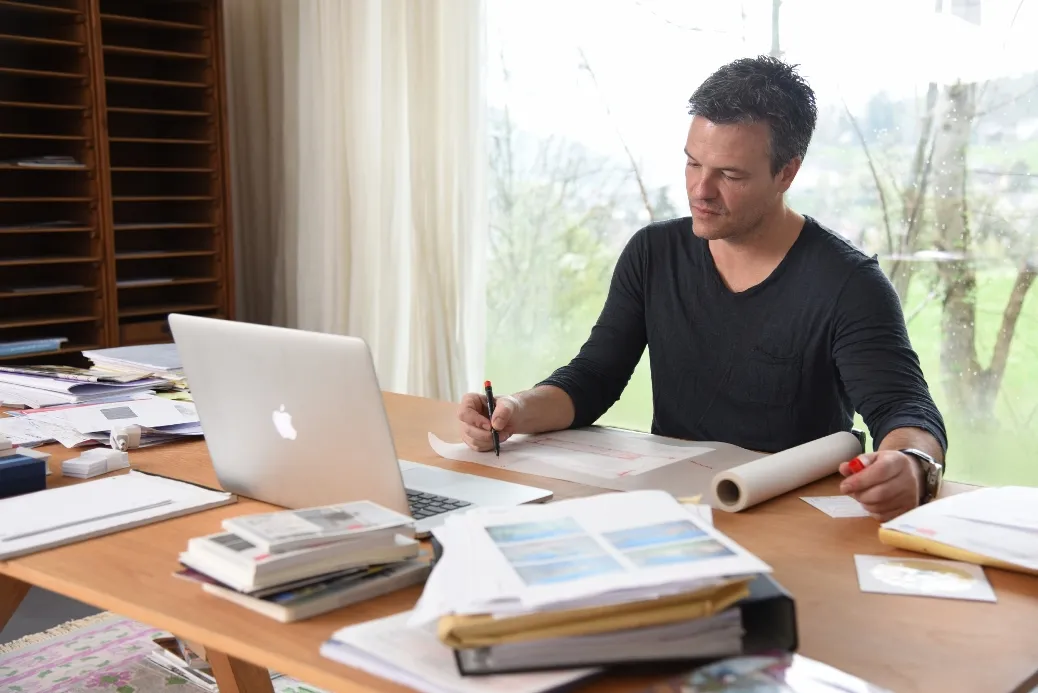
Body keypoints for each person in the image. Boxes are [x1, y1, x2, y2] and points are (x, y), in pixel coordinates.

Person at [458, 56, 947, 521]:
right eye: (693, 163)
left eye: (729, 174)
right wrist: (515, 411)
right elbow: (594, 377)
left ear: (787, 173)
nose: (700, 190)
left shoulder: (848, 283)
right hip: (677, 510)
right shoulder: (653, 253)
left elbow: (903, 408)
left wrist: (912, 465)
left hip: (790, 514)